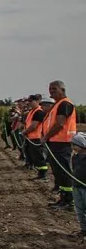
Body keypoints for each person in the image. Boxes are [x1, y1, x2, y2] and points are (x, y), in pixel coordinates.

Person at [44, 80, 77, 210]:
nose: (51, 91)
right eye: (50, 89)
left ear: (62, 90)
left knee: (63, 172)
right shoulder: (58, 104)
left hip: (62, 143)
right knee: (58, 173)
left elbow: (60, 124)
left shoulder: (65, 104)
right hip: (55, 142)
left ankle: (70, 201)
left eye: (54, 89)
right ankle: (63, 198)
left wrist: (46, 136)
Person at [24, 95, 48, 179]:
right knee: (33, 155)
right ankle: (39, 171)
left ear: (37, 101)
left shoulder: (39, 112)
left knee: (38, 156)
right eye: (28, 101)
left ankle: (43, 173)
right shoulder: (32, 111)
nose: (29, 103)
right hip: (31, 137)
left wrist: (25, 132)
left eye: (31, 101)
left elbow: (34, 125)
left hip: (37, 138)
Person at [71, 131, 86, 239]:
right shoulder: (75, 157)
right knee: (79, 210)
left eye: (75, 144)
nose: (73, 147)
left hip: (84, 187)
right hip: (76, 186)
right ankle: (83, 229)